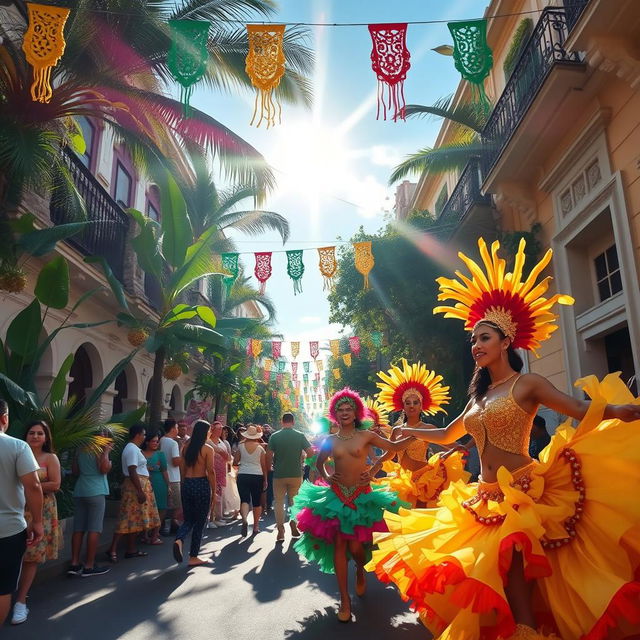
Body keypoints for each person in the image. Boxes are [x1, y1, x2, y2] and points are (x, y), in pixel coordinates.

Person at [367, 237, 640, 640]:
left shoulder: (527, 383)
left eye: (484, 338)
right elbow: (446, 434)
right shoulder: (478, 396)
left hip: (525, 494)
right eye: (474, 340)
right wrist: (409, 429)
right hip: (484, 497)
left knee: (516, 579)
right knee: (499, 585)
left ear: (506, 341)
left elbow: (577, 409)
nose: (476, 345)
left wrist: (620, 411)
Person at [291, 388, 416, 623]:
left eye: (349, 409)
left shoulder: (366, 436)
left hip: (362, 495)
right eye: (341, 409)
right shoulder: (331, 440)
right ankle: (344, 600)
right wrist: (328, 477)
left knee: (357, 547)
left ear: (356, 412)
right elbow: (319, 463)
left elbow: (393, 448)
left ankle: (359, 568)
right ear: (334, 414)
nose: (345, 413)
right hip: (336, 497)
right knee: (340, 543)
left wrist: (415, 434)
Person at [371, 359, 470, 507]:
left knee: (422, 515)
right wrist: (377, 463)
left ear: (421, 406)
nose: (412, 406)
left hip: (425, 480)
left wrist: (461, 447)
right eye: (408, 403)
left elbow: (447, 441)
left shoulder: (427, 428)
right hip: (403, 481)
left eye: (415, 402)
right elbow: (391, 452)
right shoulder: (397, 430)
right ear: (402, 406)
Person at [13, 420, 62, 625]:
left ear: (46, 437)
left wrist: (31, 486)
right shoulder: (16, 453)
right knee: (13, 552)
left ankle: (20, 601)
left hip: (41, 510)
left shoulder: (50, 457)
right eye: (31, 432)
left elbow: (56, 484)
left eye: (39, 433)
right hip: (14, 508)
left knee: (32, 555)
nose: (35, 436)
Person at [0, 399, 43, 627]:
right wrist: (37, 521)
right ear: (4, 419)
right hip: (8, 531)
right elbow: (34, 486)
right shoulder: (17, 447)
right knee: (3, 588)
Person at [107, 424, 160, 562]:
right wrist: (139, 490)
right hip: (135, 487)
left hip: (140, 484)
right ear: (137, 435)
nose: (144, 437)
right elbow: (132, 470)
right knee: (126, 517)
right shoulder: (131, 449)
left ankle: (131, 549)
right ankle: (112, 549)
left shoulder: (134, 449)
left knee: (135, 519)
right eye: (143, 434)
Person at [68, 433, 112, 577]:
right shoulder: (100, 449)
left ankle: (74, 564)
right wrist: (106, 452)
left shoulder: (80, 448)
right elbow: (104, 469)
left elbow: (75, 471)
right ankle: (89, 565)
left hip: (80, 489)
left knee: (78, 528)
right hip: (96, 490)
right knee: (94, 528)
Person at [173, 420, 216, 567]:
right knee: (200, 521)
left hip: (187, 485)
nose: (210, 432)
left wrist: (185, 484)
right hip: (201, 484)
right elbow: (210, 472)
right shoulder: (207, 449)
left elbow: (182, 470)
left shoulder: (186, 447)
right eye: (209, 430)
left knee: (189, 519)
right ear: (205, 432)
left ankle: (179, 538)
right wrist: (214, 490)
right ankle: (193, 556)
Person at [267, 413, 314, 542]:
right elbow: (310, 452)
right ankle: (293, 524)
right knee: (294, 502)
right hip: (295, 474)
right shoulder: (299, 435)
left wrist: (269, 468)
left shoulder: (274, 436)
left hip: (279, 475)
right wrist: (303, 464)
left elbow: (268, 455)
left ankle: (280, 530)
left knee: (279, 502)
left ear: (282, 421)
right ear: (293, 422)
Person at [234, 424, 268, 537]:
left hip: (243, 474)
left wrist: (241, 463)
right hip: (257, 475)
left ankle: (244, 519)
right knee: (256, 502)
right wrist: (265, 479)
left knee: (244, 500)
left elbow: (235, 461)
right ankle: (256, 526)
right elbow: (264, 465)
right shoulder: (260, 448)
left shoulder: (240, 446)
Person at [142, 431, 169, 544]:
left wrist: (169, 486)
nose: (155, 443)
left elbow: (164, 471)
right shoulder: (140, 453)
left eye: (157, 441)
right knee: (145, 509)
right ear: (147, 442)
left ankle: (155, 534)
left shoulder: (160, 454)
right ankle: (144, 534)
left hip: (160, 483)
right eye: (153, 441)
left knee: (161, 508)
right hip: (144, 483)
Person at [207, 421, 232, 528]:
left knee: (219, 495)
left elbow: (228, 457)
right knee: (213, 495)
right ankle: (210, 519)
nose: (219, 431)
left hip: (222, 471)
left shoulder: (222, 442)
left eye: (221, 429)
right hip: (212, 471)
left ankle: (218, 517)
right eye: (217, 429)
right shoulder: (208, 442)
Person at [160, 419, 182, 535]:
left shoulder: (161, 440)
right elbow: (176, 461)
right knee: (177, 504)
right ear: (173, 429)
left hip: (163, 475)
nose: (178, 430)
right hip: (173, 477)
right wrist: (182, 451)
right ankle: (173, 524)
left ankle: (163, 525)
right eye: (177, 428)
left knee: (165, 504)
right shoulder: (173, 443)